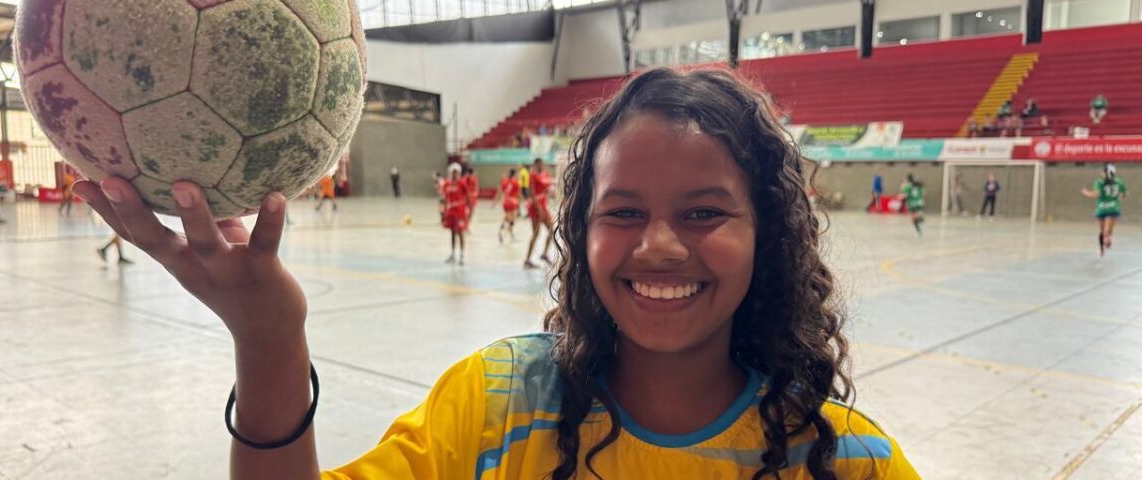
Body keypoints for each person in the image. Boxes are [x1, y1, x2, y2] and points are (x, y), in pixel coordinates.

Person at [72, 68, 917, 480]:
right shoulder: (499, 404)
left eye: (703, 212)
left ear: (766, 232)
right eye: (621, 212)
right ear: (580, 233)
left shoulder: (849, 460)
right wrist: (267, 339)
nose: (659, 245)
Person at [1082, 164, 1127, 257]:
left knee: (1105, 230)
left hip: (1104, 208)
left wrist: (1086, 193)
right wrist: (1121, 196)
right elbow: (1125, 194)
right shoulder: (1119, 182)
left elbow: (1096, 194)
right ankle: (1103, 244)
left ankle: (1106, 241)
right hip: (1108, 208)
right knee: (1104, 230)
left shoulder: (1099, 183)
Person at [523, 157, 554, 269]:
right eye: (539, 164)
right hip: (536, 206)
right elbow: (531, 193)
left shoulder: (545, 174)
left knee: (552, 230)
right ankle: (527, 260)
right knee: (536, 234)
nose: (541, 166)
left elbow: (546, 189)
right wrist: (539, 208)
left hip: (543, 205)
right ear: (535, 165)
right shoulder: (532, 175)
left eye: (542, 164)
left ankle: (544, 254)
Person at [440, 163, 471, 264]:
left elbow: (468, 196)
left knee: (461, 233)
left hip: (460, 211)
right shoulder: (447, 184)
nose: (454, 174)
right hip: (451, 211)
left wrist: (468, 208)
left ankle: (462, 255)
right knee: (452, 233)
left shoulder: (462, 183)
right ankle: (453, 254)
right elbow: (444, 199)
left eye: (456, 172)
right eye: (453, 172)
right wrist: (443, 213)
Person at [495, 168, 520, 243]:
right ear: (514, 174)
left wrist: (495, 202)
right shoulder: (516, 182)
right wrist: (520, 203)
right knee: (512, 221)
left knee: (507, 218)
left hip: (506, 201)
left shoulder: (504, 181)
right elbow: (519, 194)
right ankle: (502, 233)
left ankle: (510, 234)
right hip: (513, 201)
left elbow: (499, 192)